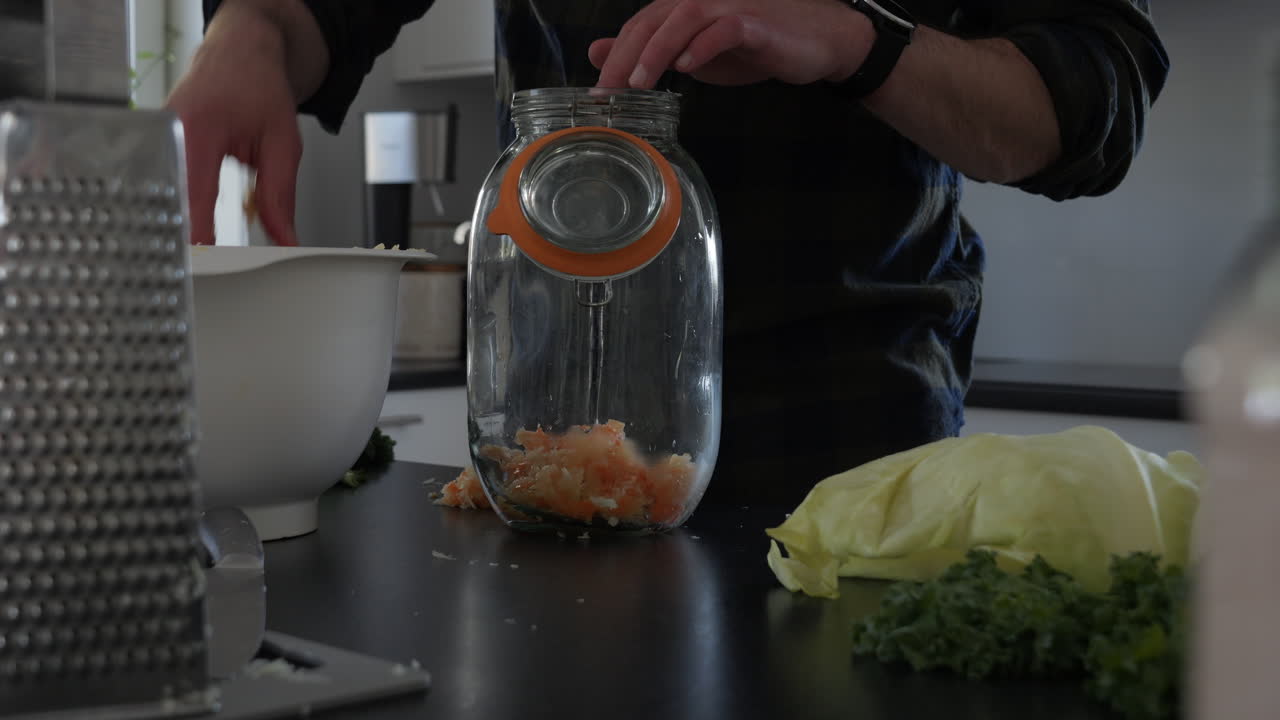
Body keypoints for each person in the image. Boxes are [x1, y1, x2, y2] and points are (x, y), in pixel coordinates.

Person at [170, 0, 1169, 507]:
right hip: (559, 436)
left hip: (848, 443)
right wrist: (251, 33)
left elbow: (1086, 101)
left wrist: (855, 37)